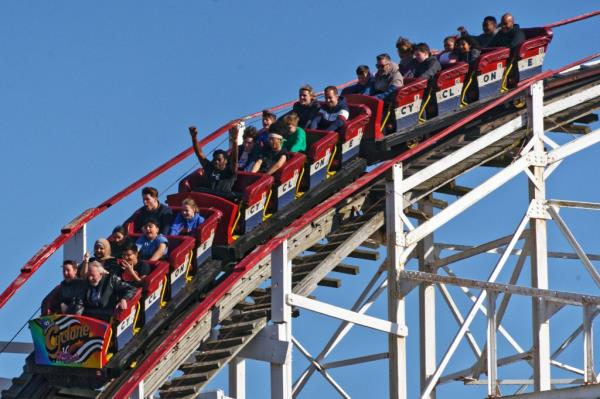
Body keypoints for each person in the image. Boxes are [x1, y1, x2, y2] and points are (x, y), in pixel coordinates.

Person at [189, 125, 239, 199]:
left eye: (219, 160)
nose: (216, 161)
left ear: (225, 161)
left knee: (232, 195)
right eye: (215, 159)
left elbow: (234, 159)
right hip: (209, 196)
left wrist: (234, 140)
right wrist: (194, 138)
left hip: (223, 198)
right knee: (197, 190)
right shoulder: (210, 168)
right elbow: (199, 154)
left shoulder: (230, 170)